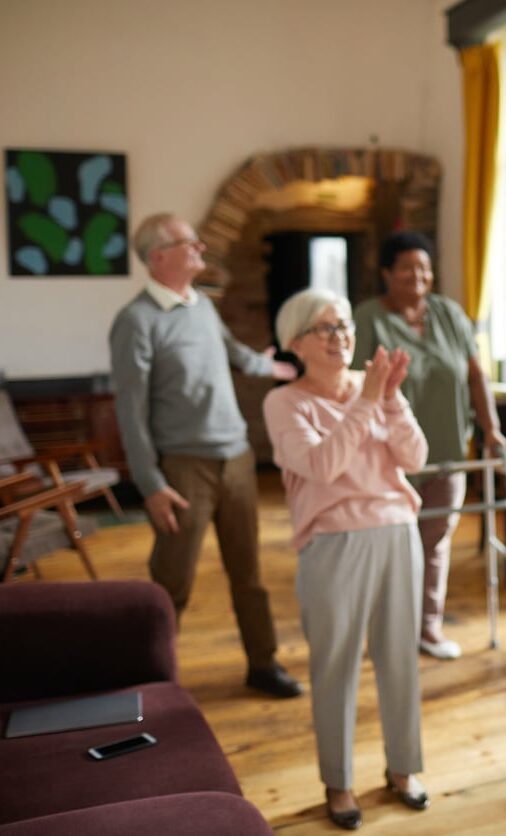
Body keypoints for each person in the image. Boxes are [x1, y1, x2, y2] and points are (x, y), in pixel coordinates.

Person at [109, 212, 301, 699]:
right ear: (158, 256)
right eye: (186, 242)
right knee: (172, 583)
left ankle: (263, 663)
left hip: (236, 459)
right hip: (183, 470)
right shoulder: (135, 322)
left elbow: (237, 353)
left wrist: (280, 367)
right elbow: (129, 413)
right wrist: (151, 485)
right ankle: (151, 681)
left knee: (249, 577)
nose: (199, 247)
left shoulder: (202, 308)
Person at [264, 289, 431, 830]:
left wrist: (392, 398)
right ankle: (338, 783)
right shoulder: (284, 403)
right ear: (295, 343)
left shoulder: (374, 387)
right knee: (335, 666)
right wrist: (367, 402)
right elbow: (324, 465)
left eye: (344, 327)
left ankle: (404, 769)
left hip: (398, 532)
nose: (340, 338)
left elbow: (415, 456)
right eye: (326, 329)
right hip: (335, 543)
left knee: (400, 659)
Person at [352, 231, 506, 661]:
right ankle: (385, 629)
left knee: (434, 542)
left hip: (447, 453)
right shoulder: (369, 318)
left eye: (424, 267)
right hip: (388, 457)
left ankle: (426, 627)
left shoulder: (449, 314)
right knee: (387, 542)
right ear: (386, 273)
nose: (417, 276)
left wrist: (491, 430)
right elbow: (356, 386)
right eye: (406, 267)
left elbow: (476, 375)